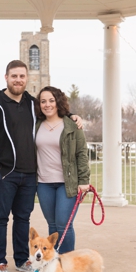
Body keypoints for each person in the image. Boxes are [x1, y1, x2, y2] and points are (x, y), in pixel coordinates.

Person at [0, 60, 81, 272]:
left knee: (23, 219)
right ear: (6, 77)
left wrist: (72, 117)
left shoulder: (32, 104)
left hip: (30, 174)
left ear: (27, 79)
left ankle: (22, 259)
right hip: (2, 174)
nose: (18, 80)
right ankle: (0, 262)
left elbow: (53, 110)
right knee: (0, 218)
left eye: (22, 76)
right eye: (14, 76)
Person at [34, 85, 93, 255]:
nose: (47, 105)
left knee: (63, 224)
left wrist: (84, 181)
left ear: (58, 102)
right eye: (43, 101)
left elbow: (82, 153)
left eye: (51, 100)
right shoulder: (36, 124)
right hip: (43, 183)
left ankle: (68, 262)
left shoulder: (72, 125)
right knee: (52, 226)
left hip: (67, 184)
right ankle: (55, 264)